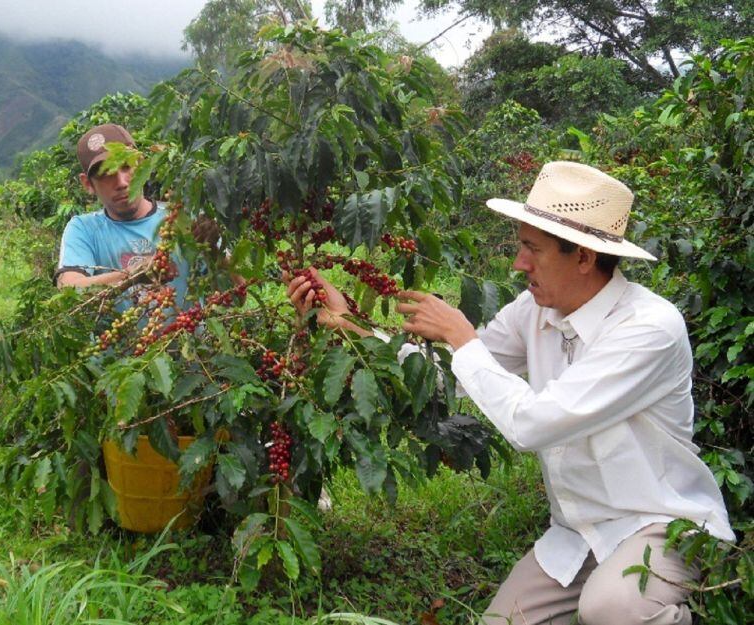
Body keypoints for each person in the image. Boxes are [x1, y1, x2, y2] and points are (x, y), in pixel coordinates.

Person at [287, 161, 734, 625]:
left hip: (659, 525)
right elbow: (456, 377)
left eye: (532, 249)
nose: (519, 264)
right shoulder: (533, 311)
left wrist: (462, 337)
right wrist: (351, 327)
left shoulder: (648, 328)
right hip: (578, 534)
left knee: (612, 609)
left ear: (583, 257)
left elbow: (533, 423)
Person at [55, 123, 189, 303]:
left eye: (126, 166)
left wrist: (215, 252)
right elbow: (68, 288)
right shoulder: (84, 229)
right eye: (106, 173)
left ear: (141, 165)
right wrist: (132, 275)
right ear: (87, 184)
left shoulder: (181, 217)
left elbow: (236, 284)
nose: (121, 182)